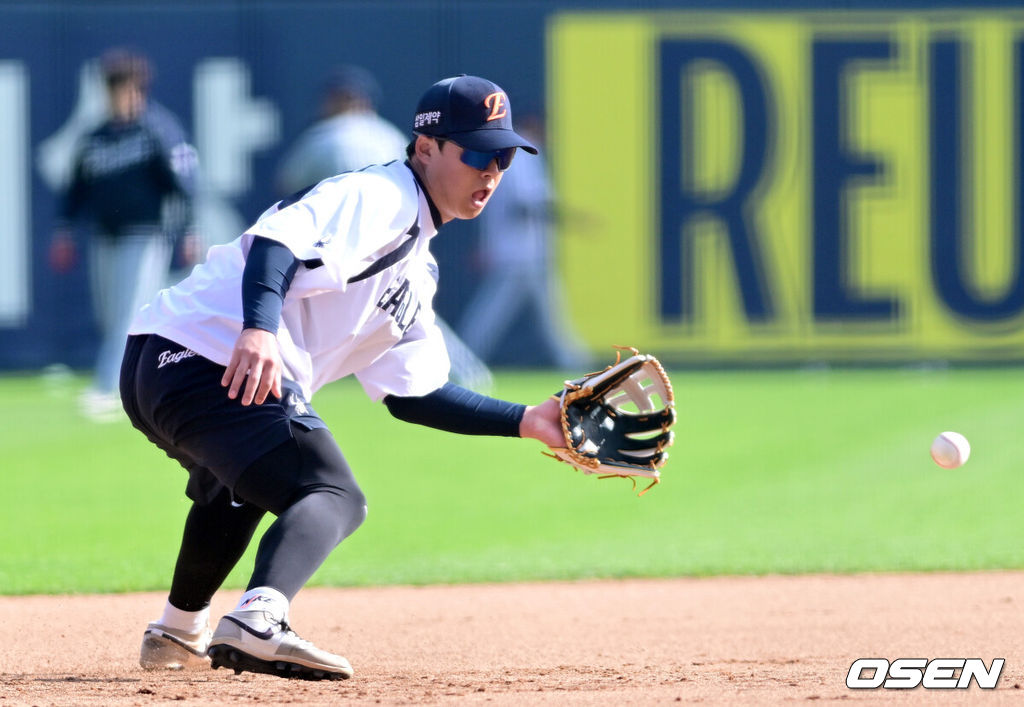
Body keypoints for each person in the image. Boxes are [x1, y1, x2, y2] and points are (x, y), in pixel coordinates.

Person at [123, 74, 565, 681]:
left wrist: (528, 422)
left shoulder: (416, 265)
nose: (492, 171)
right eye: (478, 153)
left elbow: (416, 394)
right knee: (333, 494)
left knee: (243, 482)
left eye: (505, 156)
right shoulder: (381, 195)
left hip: (160, 363)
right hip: (208, 356)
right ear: (427, 147)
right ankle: (259, 619)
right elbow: (277, 241)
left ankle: (177, 631)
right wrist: (257, 329)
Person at [276, 64, 493, 391]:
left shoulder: (323, 134)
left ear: (341, 99)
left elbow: (287, 184)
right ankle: (466, 374)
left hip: (338, 239)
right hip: (397, 233)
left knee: (395, 316)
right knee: (403, 311)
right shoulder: (386, 132)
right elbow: (420, 184)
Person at [50, 48, 198, 421]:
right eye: (114, 88)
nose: (120, 95)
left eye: (127, 87)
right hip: (105, 236)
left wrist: (190, 231)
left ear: (140, 89)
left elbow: (184, 185)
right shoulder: (96, 136)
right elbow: (76, 189)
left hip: (146, 235)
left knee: (128, 314)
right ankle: (144, 382)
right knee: (110, 315)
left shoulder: (158, 129)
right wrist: (64, 229)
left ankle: (106, 388)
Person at [457, 112, 590, 369]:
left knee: (550, 317)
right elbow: (526, 204)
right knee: (489, 317)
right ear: (535, 124)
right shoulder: (522, 153)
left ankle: (576, 363)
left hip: (526, 253)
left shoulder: (513, 152)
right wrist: (569, 218)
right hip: (518, 252)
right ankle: (460, 362)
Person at [275, 65, 407, 196]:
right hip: (387, 212)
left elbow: (287, 185)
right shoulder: (392, 136)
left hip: (332, 212)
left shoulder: (320, 135)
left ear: (333, 100)